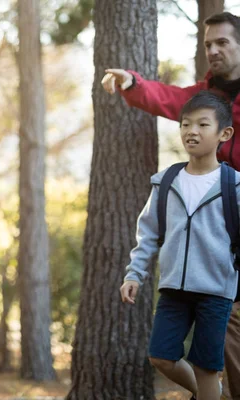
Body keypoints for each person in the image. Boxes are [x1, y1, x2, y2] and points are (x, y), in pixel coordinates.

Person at [103, 12, 240, 399]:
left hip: (227, 246)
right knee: (211, 354)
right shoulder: (205, 99)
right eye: (208, 44)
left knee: (222, 349)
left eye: (222, 43)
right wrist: (134, 83)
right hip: (199, 268)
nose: (213, 50)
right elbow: (172, 99)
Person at [120, 91, 239, 400]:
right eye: (186, 124)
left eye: (202, 124)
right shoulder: (167, 181)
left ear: (224, 133)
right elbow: (148, 233)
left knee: (206, 367)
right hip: (173, 289)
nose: (192, 131)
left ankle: (209, 391)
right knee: (161, 356)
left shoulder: (234, 185)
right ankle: (211, 394)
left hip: (216, 291)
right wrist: (134, 275)